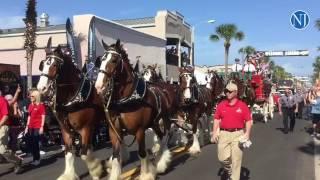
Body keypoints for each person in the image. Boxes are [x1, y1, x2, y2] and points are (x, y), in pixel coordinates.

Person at [211, 82, 253, 180]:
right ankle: (229, 171)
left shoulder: (242, 106)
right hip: (223, 134)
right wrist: (214, 132)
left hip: (238, 134)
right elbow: (216, 119)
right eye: (226, 91)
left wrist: (247, 134)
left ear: (235, 92)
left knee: (236, 160)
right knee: (222, 158)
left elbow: (248, 121)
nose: (227, 93)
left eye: (229, 91)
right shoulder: (221, 105)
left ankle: (234, 177)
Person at [0, 85, 22, 173]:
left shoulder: (2, 101)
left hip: (2, 126)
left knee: (2, 150)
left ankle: (17, 160)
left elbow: (5, 116)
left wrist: (17, 92)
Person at [24, 89, 46, 166]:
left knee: (35, 143)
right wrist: (27, 127)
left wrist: (42, 127)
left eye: (32, 96)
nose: (30, 97)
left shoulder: (41, 105)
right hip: (30, 127)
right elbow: (29, 117)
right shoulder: (30, 105)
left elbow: (43, 116)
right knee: (30, 143)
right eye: (30, 96)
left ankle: (37, 159)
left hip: (37, 127)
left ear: (36, 97)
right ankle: (34, 158)